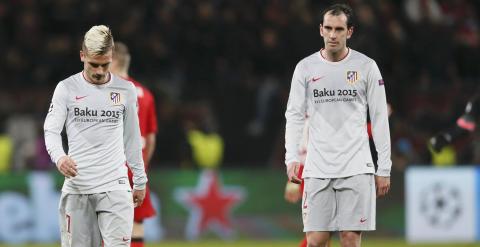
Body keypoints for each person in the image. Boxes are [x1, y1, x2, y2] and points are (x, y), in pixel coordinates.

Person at [284, 4, 391, 247]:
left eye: (339, 29)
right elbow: (294, 115)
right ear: (320, 30)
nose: (333, 35)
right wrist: (292, 158)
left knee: (350, 239)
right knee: (316, 241)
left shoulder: (366, 67)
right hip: (317, 168)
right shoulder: (305, 68)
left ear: (349, 32)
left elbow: (379, 118)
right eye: (329, 28)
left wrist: (384, 166)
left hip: (356, 167)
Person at [44, 25, 147, 247]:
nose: (100, 71)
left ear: (111, 57)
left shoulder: (125, 91)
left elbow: (132, 138)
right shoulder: (67, 88)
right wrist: (60, 157)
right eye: (93, 64)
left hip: (116, 186)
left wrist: (140, 179)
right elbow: (51, 130)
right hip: (78, 187)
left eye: (105, 64)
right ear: (82, 56)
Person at [110, 41, 157, 247]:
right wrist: (141, 168)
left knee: (105, 225)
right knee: (136, 225)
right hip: (136, 169)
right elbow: (151, 139)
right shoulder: (145, 94)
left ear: (113, 61)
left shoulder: (107, 91)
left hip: (110, 168)